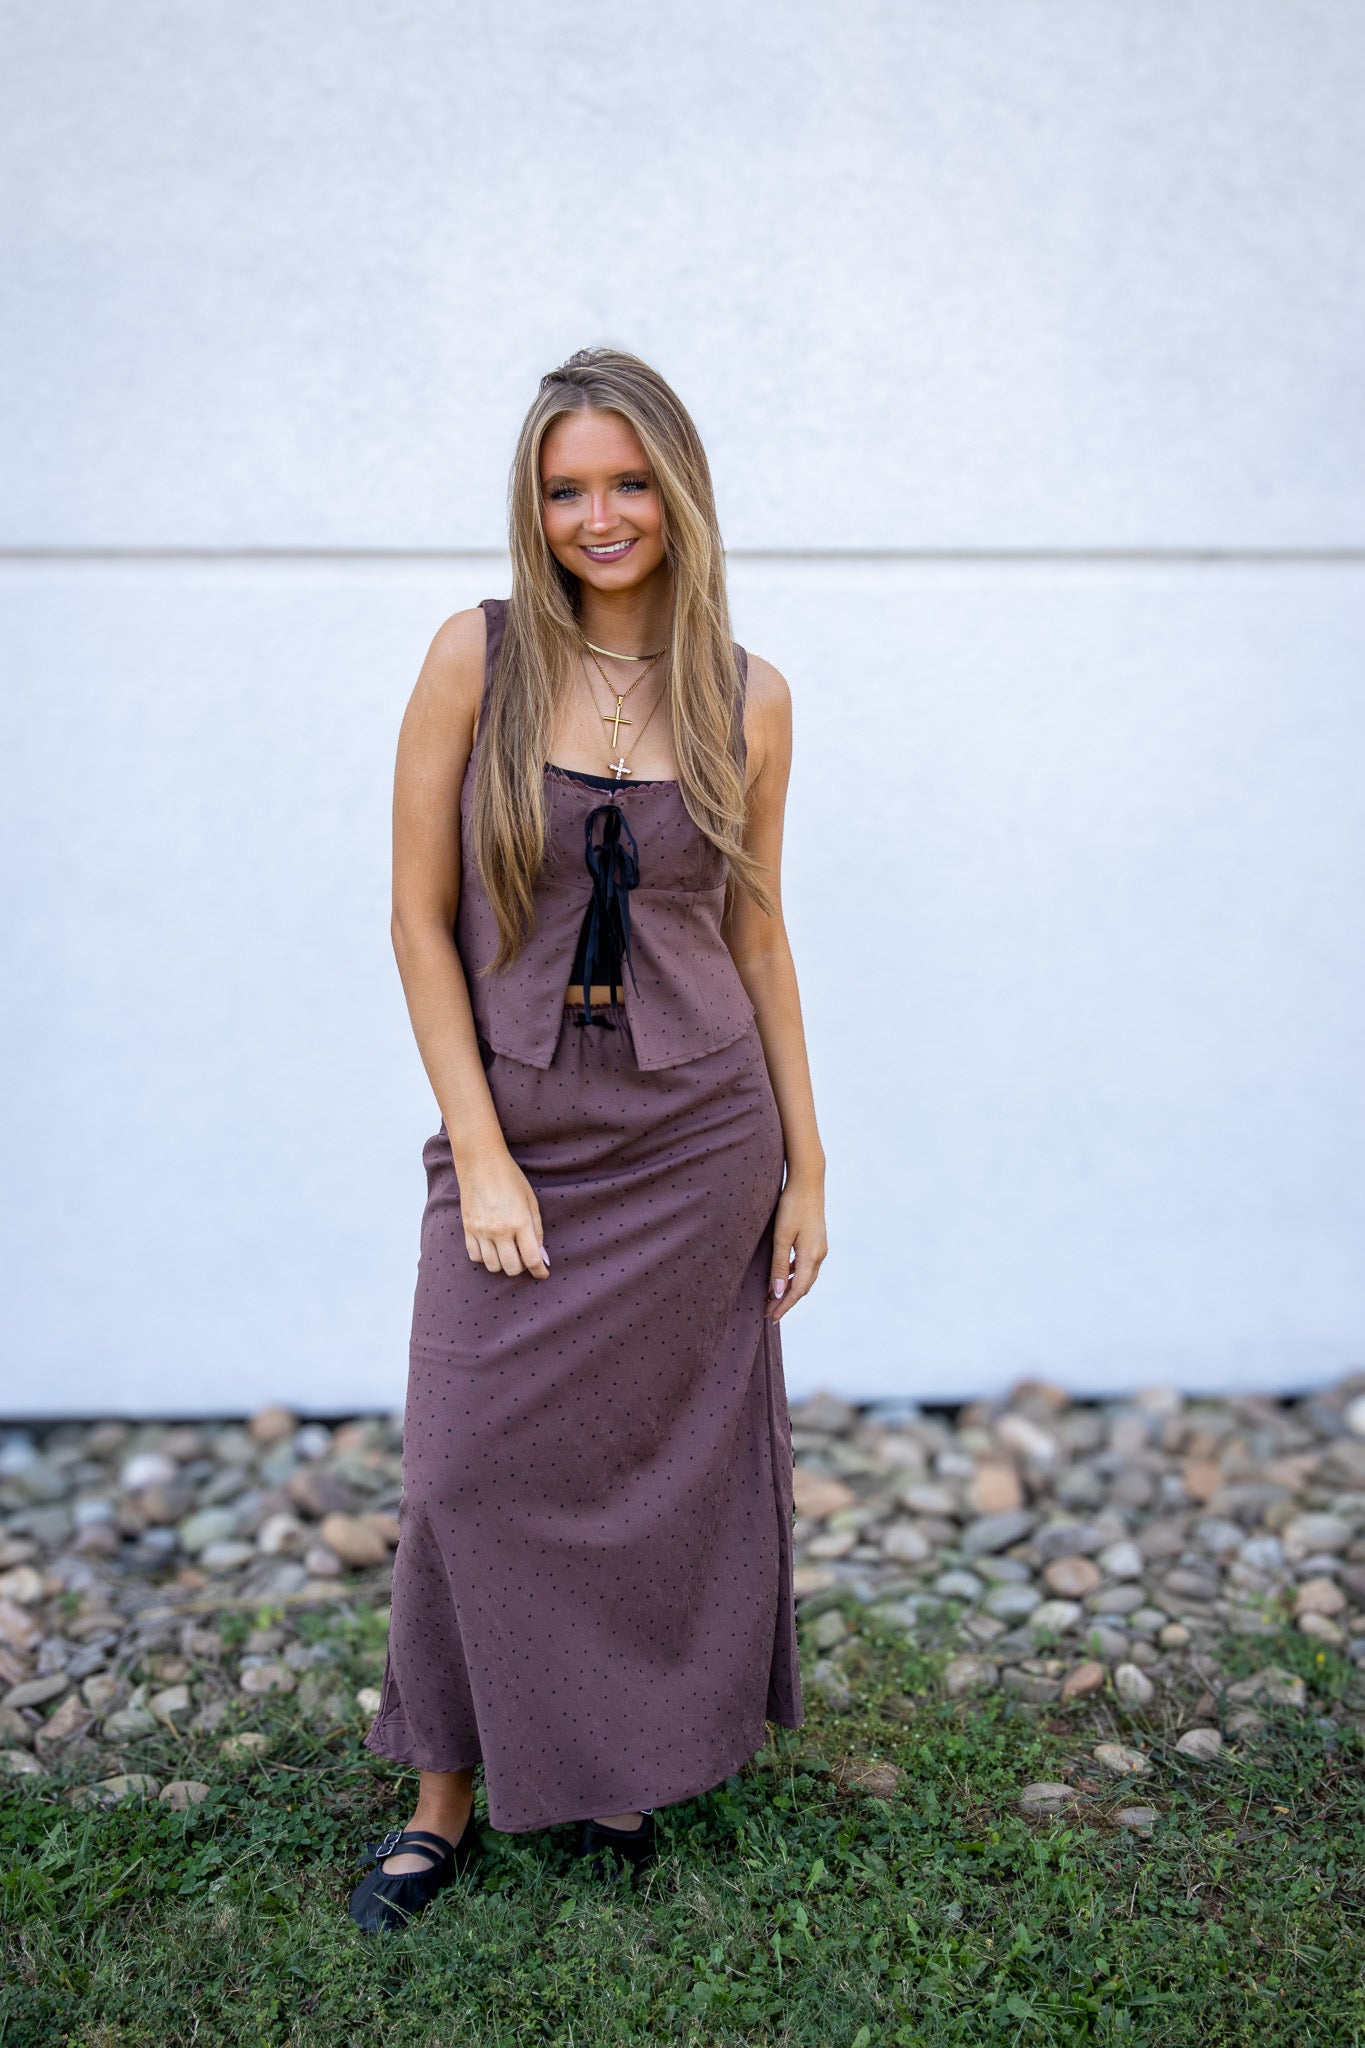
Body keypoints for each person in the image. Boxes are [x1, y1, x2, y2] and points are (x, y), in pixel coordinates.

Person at [349, 347, 828, 1933]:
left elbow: (756, 938)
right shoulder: (474, 657)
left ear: (677, 493)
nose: (598, 516)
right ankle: (440, 1799)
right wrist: (479, 1152)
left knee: (653, 1469)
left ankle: (615, 1756)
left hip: (697, 1140)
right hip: (523, 1125)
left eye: (627, 483)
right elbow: (417, 922)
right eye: (566, 490)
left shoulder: (748, 697)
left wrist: (808, 1168)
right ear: (533, 507)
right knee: (463, 1469)